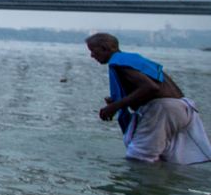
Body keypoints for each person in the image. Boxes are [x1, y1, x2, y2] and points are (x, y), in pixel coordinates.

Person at [86, 32, 211, 164]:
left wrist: (115, 106)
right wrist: (118, 101)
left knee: (139, 159)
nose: (92, 55)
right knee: (165, 159)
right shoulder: (133, 59)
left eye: (93, 51)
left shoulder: (118, 63)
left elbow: (151, 87)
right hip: (182, 108)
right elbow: (154, 87)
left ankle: (137, 184)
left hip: (163, 110)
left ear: (105, 48)